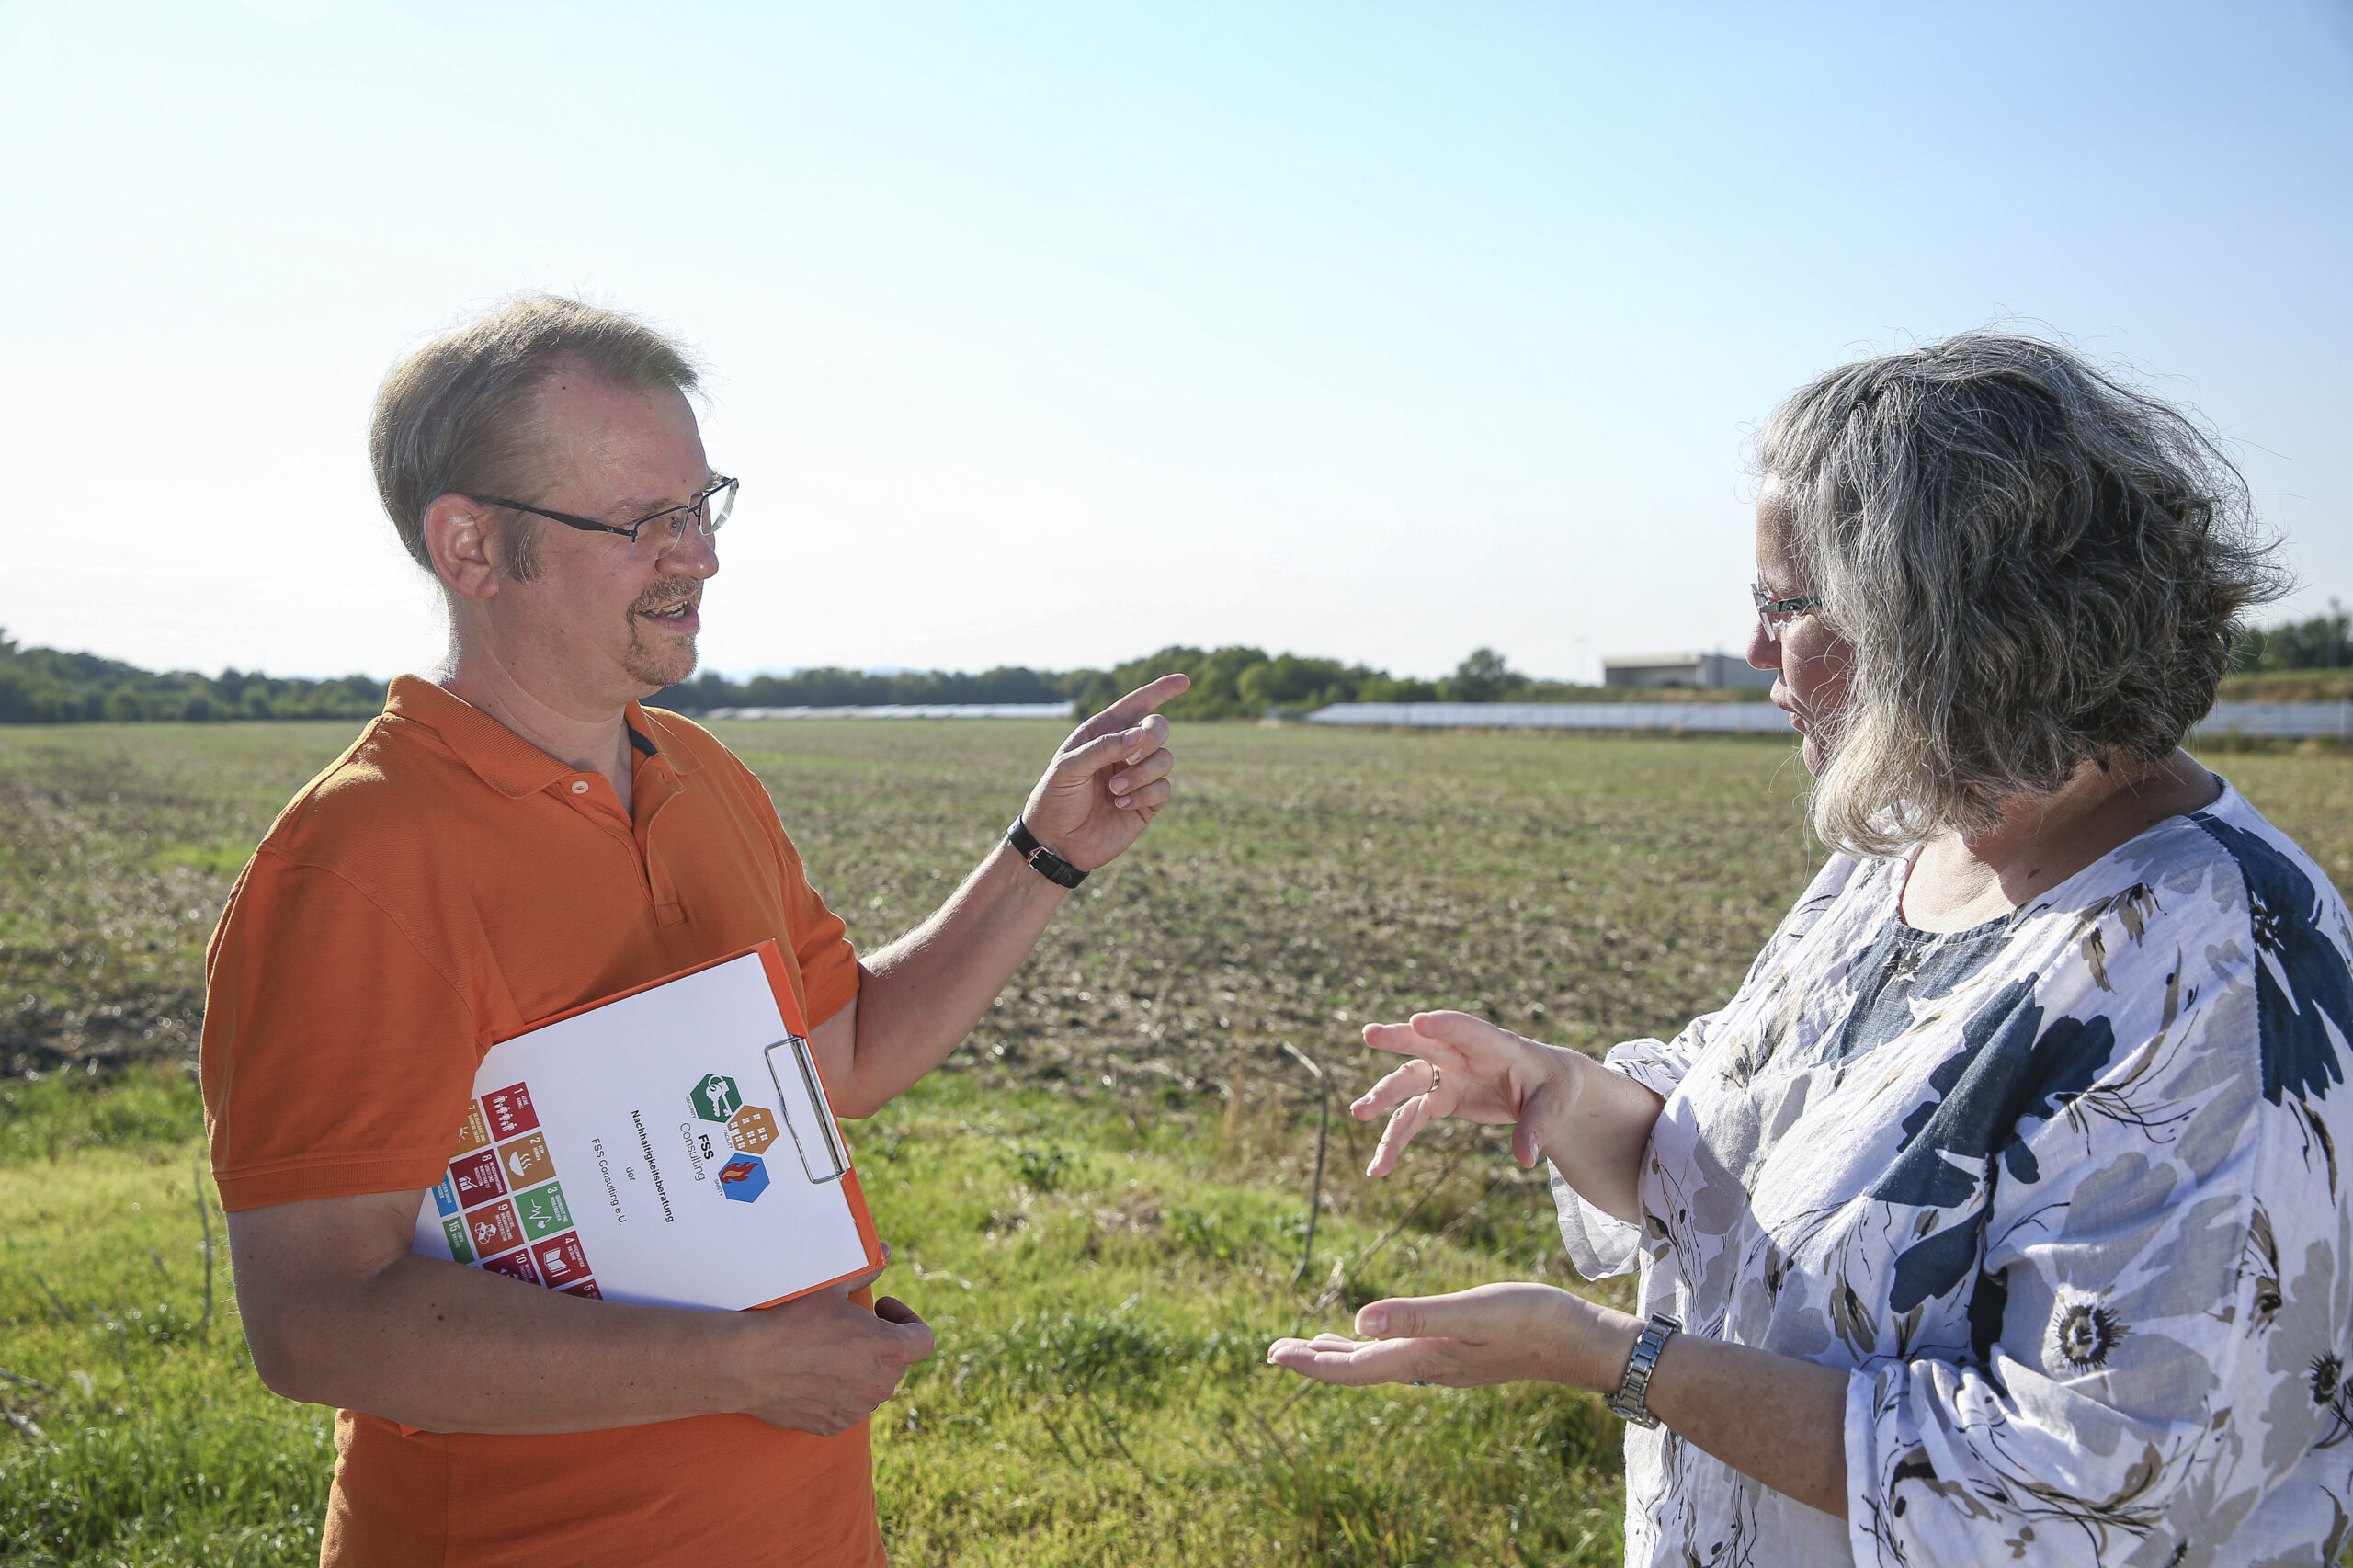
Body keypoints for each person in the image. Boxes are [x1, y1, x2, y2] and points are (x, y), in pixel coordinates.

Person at [1269, 333, 2353, 1565]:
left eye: (1782, 605)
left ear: (1940, 624)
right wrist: (1561, 1089)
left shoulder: (2215, 971)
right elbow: (1742, 1147)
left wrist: (1617, 1360)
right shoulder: (1918, 843)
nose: (1751, 652)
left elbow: (2082, 1494)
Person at [199, 294, 1187, 1567]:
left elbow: (845, 1056)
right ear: (471, 548)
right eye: (641, 521)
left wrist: (1043, 855)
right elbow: (318, 1321)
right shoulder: (359, 859)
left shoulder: (703, 775)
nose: (699, 555)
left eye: (703, 503)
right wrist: (747, 1362)